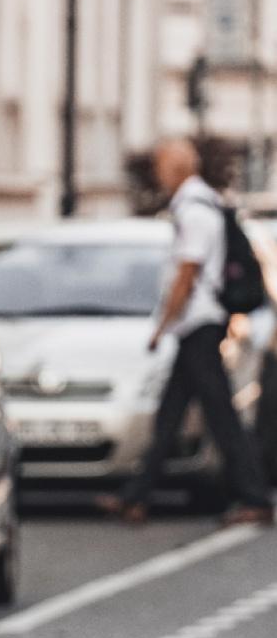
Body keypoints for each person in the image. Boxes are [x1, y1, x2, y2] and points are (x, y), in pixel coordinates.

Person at [102, 137, 273, 525]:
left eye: (162, 166)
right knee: (170, 414)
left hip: (200, 325)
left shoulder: (195, 211)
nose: (159, 174)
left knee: (221, 417)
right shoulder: (197, 205)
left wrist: (162, 326)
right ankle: (137, 496)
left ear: (174, 169)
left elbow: (187, 274)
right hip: (197, 326)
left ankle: (255, 498)